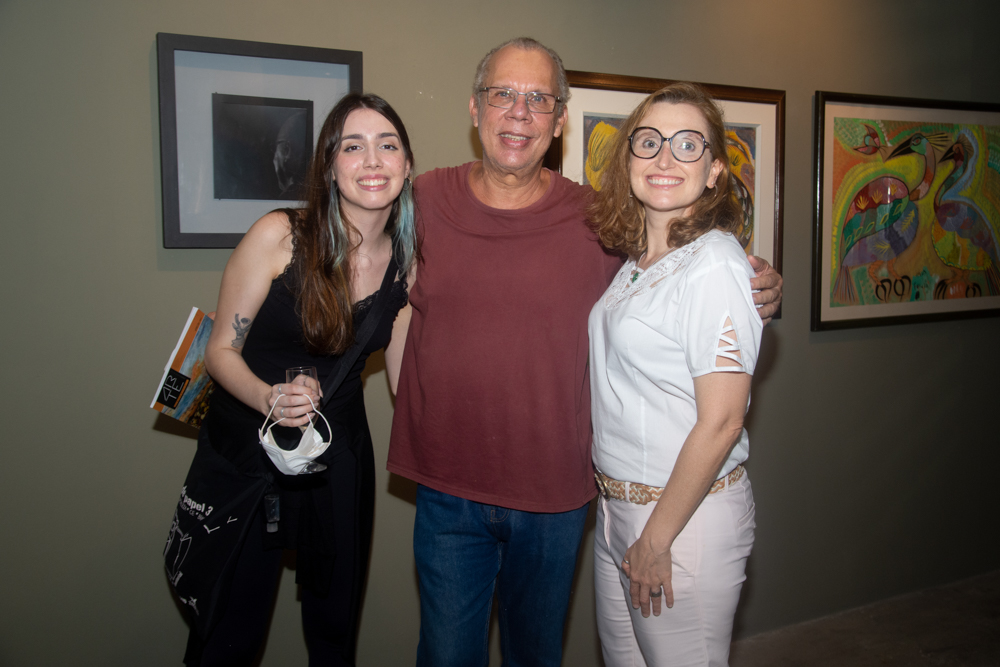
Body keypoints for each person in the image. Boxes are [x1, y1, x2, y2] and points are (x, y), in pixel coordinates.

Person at [386, 38, 782, 666]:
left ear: (560, 120)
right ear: (475, 107)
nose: (519, 112)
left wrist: (758, 281)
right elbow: (367, 271)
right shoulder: (424, 200)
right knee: (444, 655)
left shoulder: (597, 220)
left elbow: (693, 265)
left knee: (536, 655)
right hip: (450, 489)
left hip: (556, 495)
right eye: (503, 94)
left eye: (538, 99)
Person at [183, 93, 415, 666]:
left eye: (387, 145)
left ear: (407, 164)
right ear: (329, 166)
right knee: (229, 634)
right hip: (250, 453)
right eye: (352, 146)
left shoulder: (408, 263)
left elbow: (406, 382)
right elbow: (220, 350)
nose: (372, 160)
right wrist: (269, 397)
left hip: (339, 456)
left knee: (335, 631)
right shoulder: (280, 235)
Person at [588, 82, 761, 666]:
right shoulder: (637, 262)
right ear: (628, 157)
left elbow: (723, 420)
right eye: (650, 141)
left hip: (681, 522)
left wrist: (657, 538)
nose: (664, 158)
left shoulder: (714, 262)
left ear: (714, 171)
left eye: (688, 144)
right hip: (618, 510)